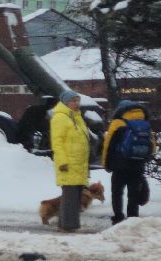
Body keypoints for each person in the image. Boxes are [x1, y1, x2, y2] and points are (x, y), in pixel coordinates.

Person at [100, 99, 153, 223]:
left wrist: (106, 163)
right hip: (138, 165)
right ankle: (133, 218)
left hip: (120, 165)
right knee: (133, 193)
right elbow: (152, 145)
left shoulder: (117, 123)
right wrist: (144, 159)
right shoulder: (144, 122)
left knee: (117, 192)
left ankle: (118, 216)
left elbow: (108, 145)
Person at [49, 90, 91, 231]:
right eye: (73, 100)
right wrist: (62, 162)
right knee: (70, 196)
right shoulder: (60, 118)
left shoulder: (76, 117)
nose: (76, 103)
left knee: (75, 195)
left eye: (77, 100)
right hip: (68, 164)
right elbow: (57, 142)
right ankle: (68, 226)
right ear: (66, 102)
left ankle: (67, 224)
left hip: (79, 164)